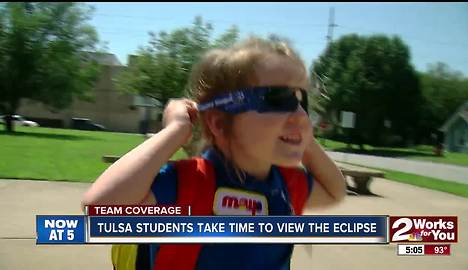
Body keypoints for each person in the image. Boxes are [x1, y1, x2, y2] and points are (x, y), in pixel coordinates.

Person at [82, 37, 346, 270]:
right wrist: (176, 129)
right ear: (219, 123)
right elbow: (99, 210)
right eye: (278, 99)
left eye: (302, 101)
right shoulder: (188, 185)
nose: (301, 115)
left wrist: (300, 134)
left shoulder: (287, 186)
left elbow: (335, 190)